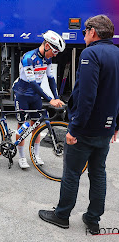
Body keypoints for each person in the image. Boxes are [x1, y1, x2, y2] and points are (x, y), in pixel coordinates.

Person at [38, 15, 119, 235]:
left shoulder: (90, 54)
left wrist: (73, 129)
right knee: (98, 173)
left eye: (85, 31)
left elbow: (86, 97)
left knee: (72, 173)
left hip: (85, 130)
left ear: (93, 32)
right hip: (105, 129)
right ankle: (93, 220)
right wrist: (116, 125)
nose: (83, 35)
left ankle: (62, 215)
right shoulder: (117, 53)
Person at [12, 30, 65, 169]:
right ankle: (22, 157)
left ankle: (35, 155)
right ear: (47, 45)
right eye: (54, 51)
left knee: (36, 125)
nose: (55, 54)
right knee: (22, 126)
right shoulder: (28, 58)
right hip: (22, 95)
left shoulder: (47, 58)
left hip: (35, 96)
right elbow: (32, 83)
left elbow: (51, 78)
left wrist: (56, 97)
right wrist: (49, 99)